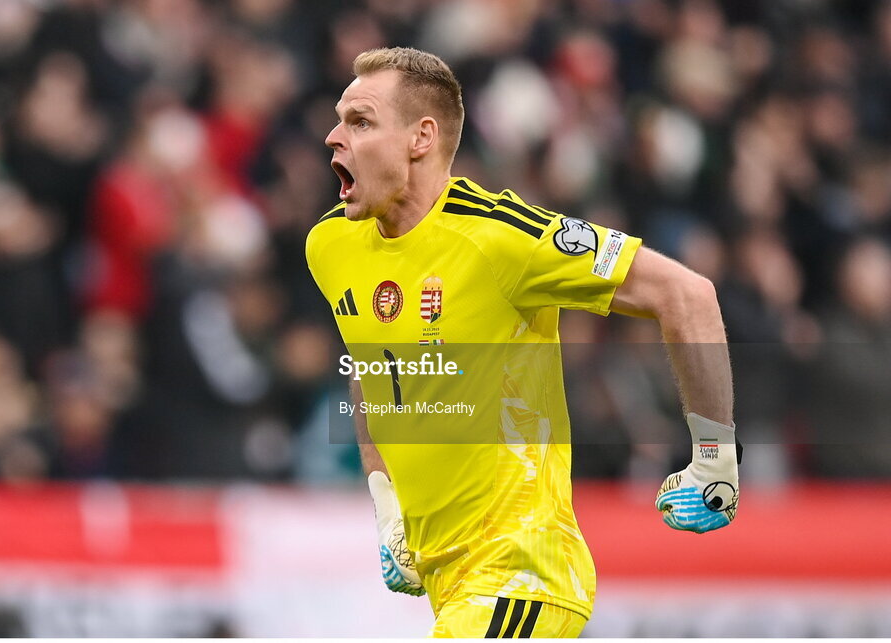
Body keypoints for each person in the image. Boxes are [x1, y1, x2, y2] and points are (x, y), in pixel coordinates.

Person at [305, 47, 739, 638]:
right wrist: (389, 512)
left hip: (523, 576)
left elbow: (688, 295)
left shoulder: (502, 237)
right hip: (451, 586)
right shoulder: (331, 246)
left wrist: (714, 461)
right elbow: (371, 362)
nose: (333, 137)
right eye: (339, 119)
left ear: (420, 138)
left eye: (360, 121)